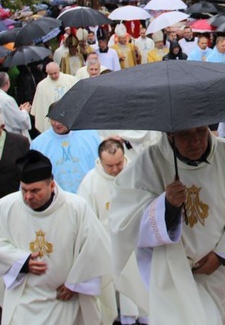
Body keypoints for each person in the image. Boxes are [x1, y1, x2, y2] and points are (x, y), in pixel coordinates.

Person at [109, 127, 225, 324]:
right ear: (170, 133)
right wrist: (166, 206)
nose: (195, 141)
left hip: (220, 273)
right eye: (185, 134)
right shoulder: (148, 163)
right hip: (172, 275)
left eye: (200, 131)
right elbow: (125, 223)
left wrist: (221, 256)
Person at [0, 150, 116, 324]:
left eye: (35, 190)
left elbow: (96, 247)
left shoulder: (76, 208)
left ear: (52, 185)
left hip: (66, 300)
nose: (28, 196)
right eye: (24, 190)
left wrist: (75, 283)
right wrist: (20, 261)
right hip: (24, 300)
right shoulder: (6, 206)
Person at [77, 139, 147, 325]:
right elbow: (86, 219)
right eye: (110, 166)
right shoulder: (90, 182)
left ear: (124, 157)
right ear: (100, 160)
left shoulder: (136, 173)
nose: (116, 169)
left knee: (139, 284)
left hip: (135, 243)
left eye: (119, 163)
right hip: (106, 245)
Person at [30, 108, 100, 194]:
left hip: (88, 193)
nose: (57, 123)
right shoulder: (39, 144)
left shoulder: (90, 136)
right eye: (53, 119)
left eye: (61, 119)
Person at [30, 62, 77, 134]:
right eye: (51, 74)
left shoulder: (71, 80)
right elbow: (39, 106)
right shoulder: (42, 86)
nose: (54, 76)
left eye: (55, 73)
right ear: (46, 72)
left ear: (59, 70)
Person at [0, 71, 32, 139]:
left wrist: (18, 110)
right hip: (9, 136)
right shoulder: (7, 99)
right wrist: (24, 111)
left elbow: (5, 112)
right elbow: (20, 120)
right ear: (7, 83)